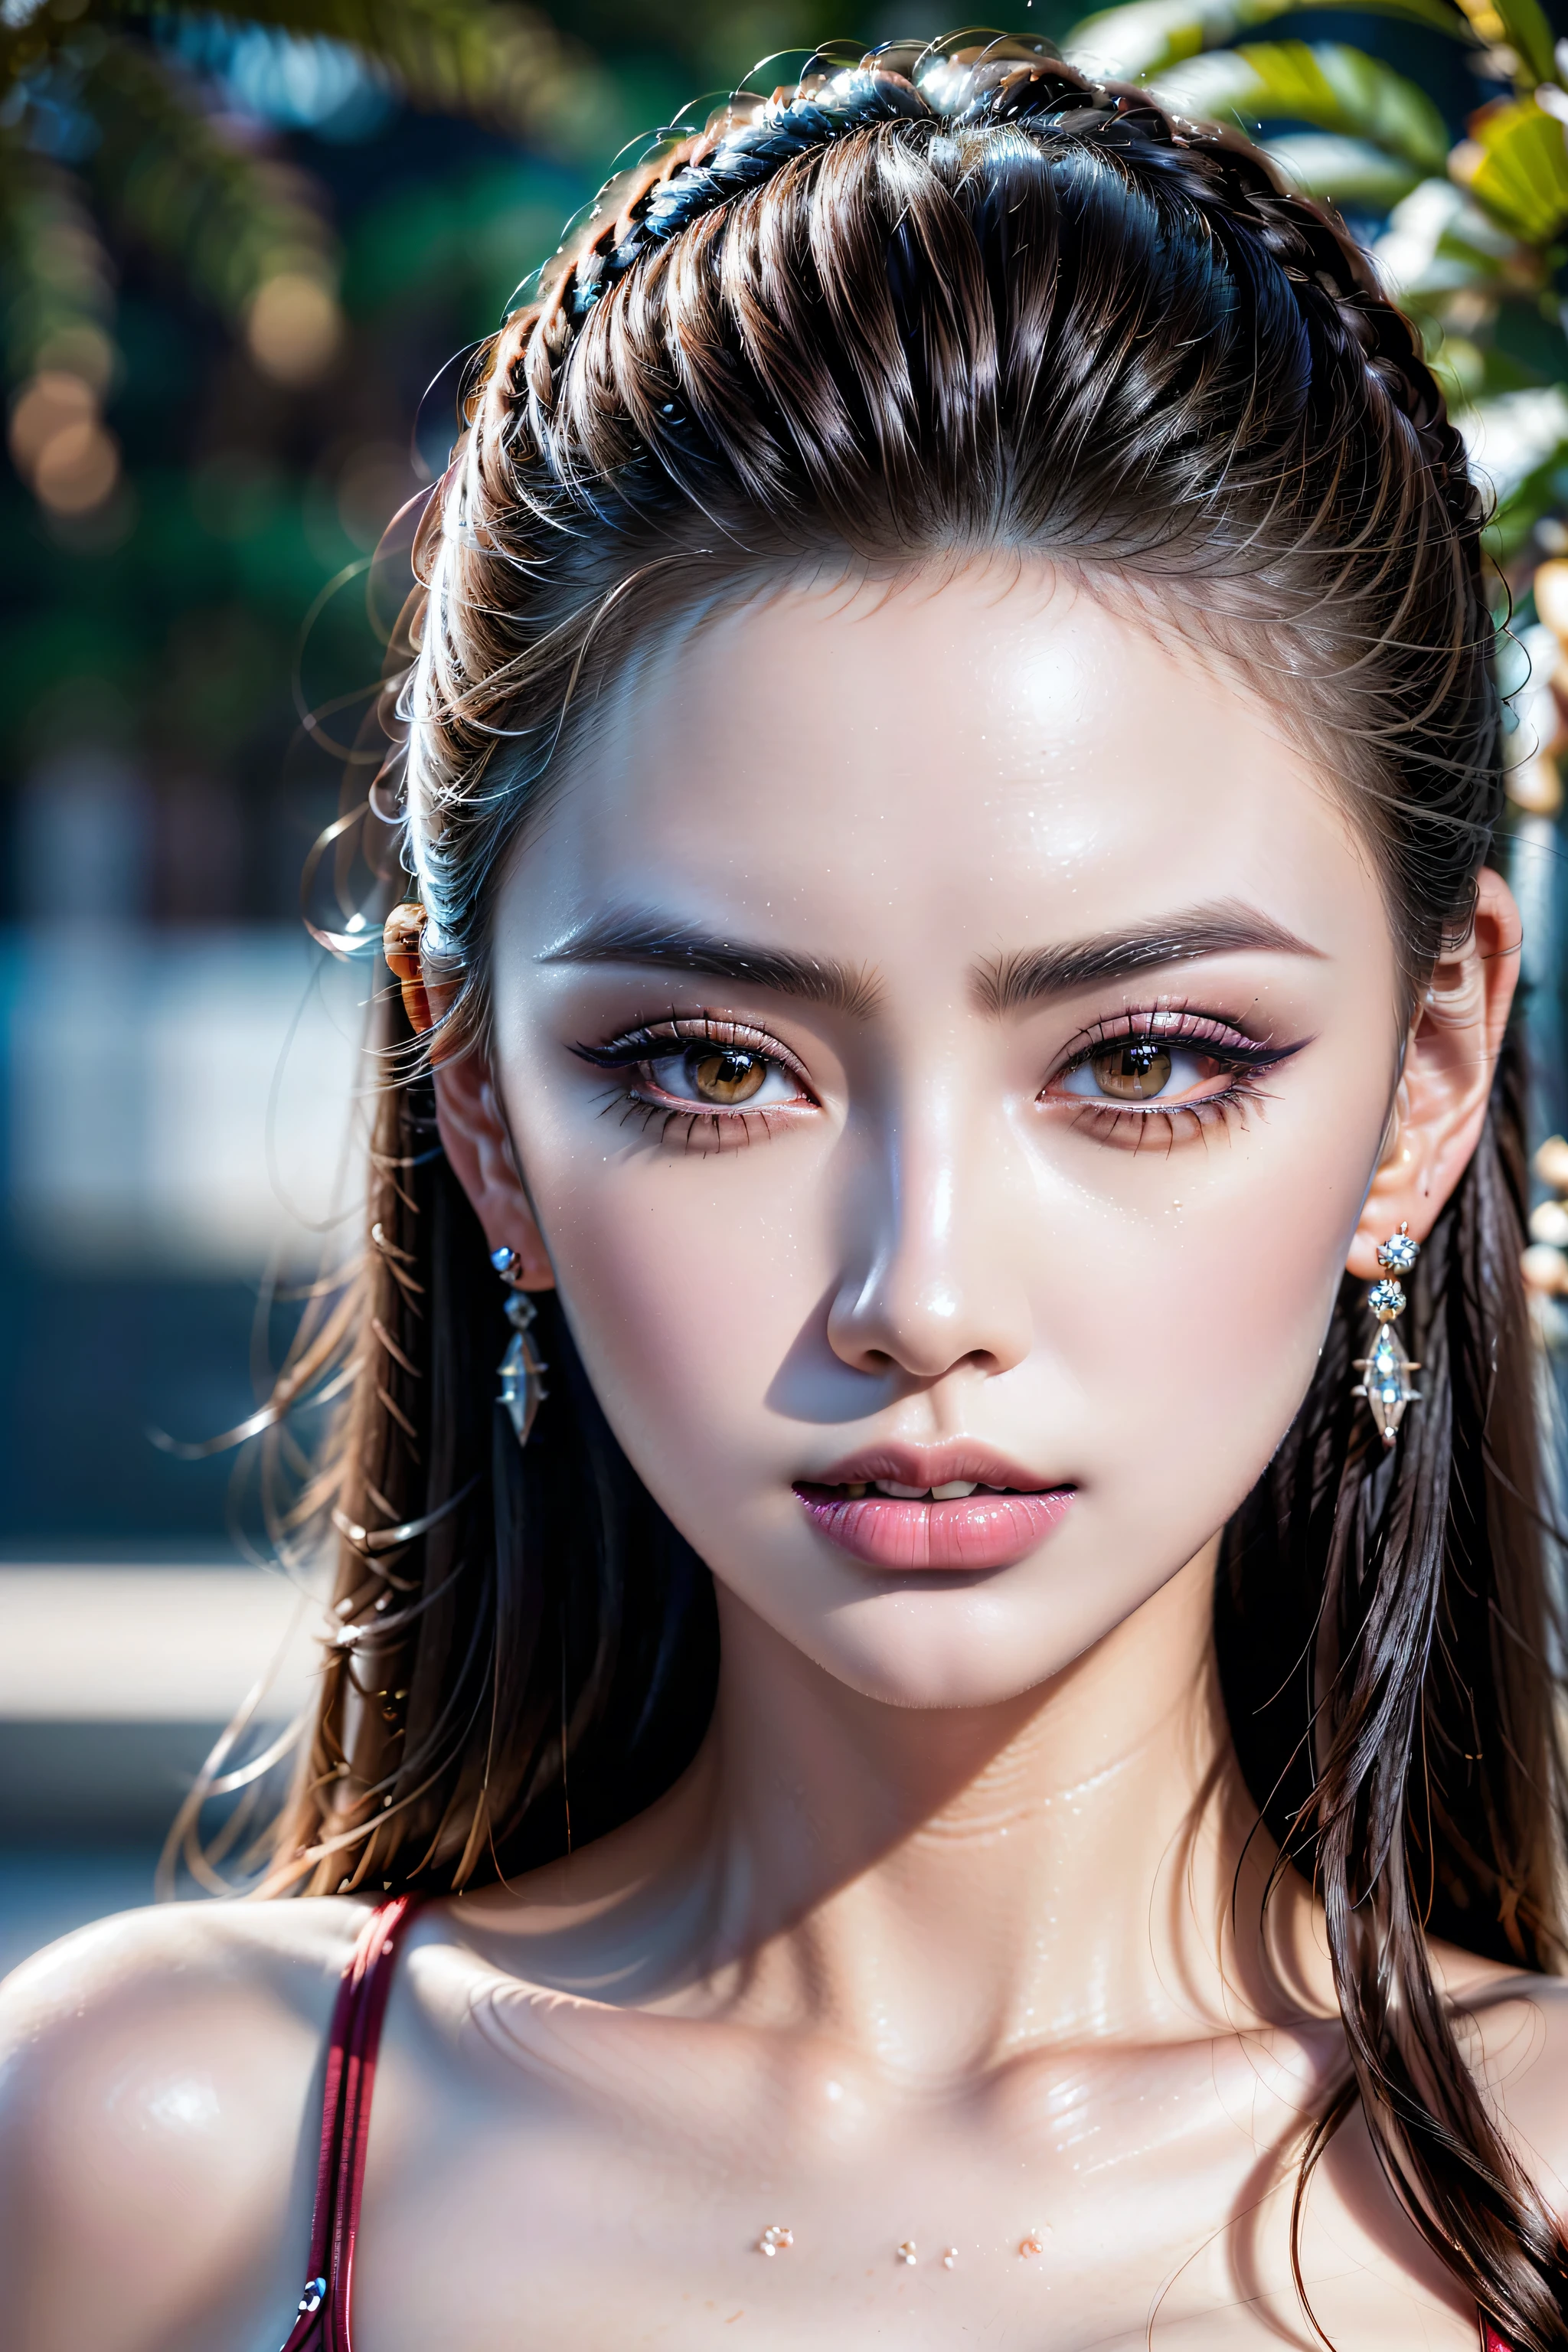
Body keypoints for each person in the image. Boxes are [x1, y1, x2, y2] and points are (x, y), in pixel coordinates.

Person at [2, 38, 1566, 2352]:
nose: (917, 1293)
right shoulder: (155, 2149)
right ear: (485, 1107)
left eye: (1144, 1061)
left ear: (1430, 1078)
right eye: (713, 1066)